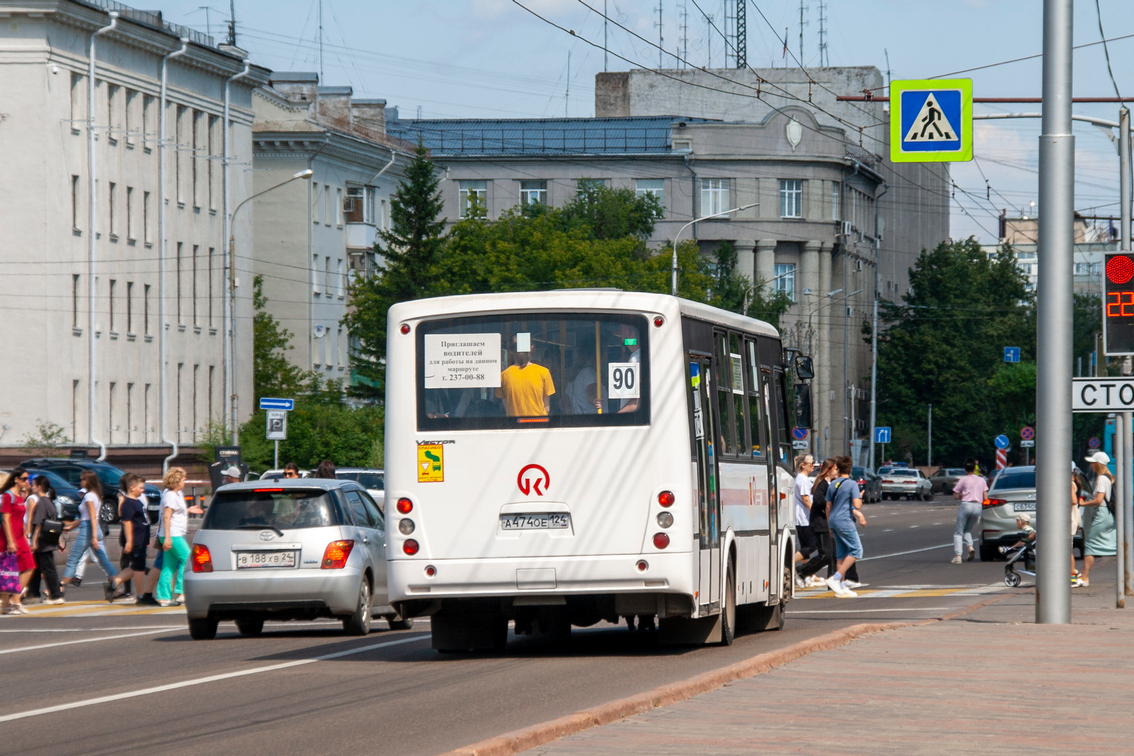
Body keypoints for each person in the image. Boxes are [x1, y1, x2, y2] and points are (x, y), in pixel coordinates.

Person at [61, 471, 117, 594]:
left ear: (88, 481)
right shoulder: (95, 495)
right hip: (94, 528)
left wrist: (93, 537)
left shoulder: (88, 496)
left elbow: (92, 516)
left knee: (73, 559)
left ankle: (60, 588)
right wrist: (71, 526)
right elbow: (86, 517)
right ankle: (116, 584)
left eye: (82, 479)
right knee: (103, 560)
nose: (80, 481)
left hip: (89, 530)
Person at [825, 456, 867, 598]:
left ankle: (841, 587)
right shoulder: (852, 484)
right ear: (850, 469)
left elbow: (828, 506)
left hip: (833, 521)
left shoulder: (833, 484)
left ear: (838, 468)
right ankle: (836, 578)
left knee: (841, 554)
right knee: (856, 550)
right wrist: (860, 496)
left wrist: (829, 524)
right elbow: (857, 505)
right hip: (845, 521)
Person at [106, 473, 149, 602]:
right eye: (141, 488)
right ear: (132, 488)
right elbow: (127, 523)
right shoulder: (129, 503)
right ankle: (141, 595)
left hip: (140, 539)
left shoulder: (136, 502)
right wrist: (129, 542)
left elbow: (142, 521)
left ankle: (115, 583)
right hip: (135, 541)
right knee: (139, 568)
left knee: (136, 567)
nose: (143, 490)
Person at [1078, 451, 1117, 588]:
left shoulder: (1101, 479)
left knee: (1090, 545)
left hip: (1102, 514)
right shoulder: (1110, 477)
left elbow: (1099, 500)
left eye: (1092, 463)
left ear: (1098, 464)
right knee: (1116, 546)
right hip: (1108, 515)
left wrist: (1083, 504)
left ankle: (1085, 577)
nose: (1090, 466)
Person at [0, 467, 36, 615]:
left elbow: (21, 519)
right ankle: (6, 604)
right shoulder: (8, 496)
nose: (26, 481)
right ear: (16, 479)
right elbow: (5, 520)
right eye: (23, 478)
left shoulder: (20, 496)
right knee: (7, 571)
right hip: (8, 537)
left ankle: (15, 599)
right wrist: (10, 541)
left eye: (27, 479)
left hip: (20, 537)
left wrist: (25, 535)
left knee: (29, 566)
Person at [798, 459, 837, 588]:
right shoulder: (822, 484)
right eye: (836, 469)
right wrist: (830, 501)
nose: (837, 471)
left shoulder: (829, 484)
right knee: (825, 555)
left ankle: (832, 582)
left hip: (826, 523)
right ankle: (801, 572)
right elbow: (819, 501)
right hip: (820, 524)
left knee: (831, 555)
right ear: (829, 470)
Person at [496, 333, 555, 417]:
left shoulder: (503, 376)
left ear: (511, 350)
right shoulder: (543, 372)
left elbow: (506, 406)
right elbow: (547, 408)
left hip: (514, 425)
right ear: (531, 348)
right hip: (539, 424)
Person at [26, 475, 64, 605]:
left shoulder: (42, 502)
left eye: (34, 485)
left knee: (48, 569)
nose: (32, 487)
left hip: (43, 542)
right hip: (48, 540)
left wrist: (34, 540)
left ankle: (55, 595)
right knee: (36, 568)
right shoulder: (49, 501)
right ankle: (33, 594)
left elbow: (39, 523)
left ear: (39, 487)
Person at [156, 467, 190, 606]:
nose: (185, 481)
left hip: (172, 534)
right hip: (173, 535)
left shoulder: (175, 494)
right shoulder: (170, 495)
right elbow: (166, 516)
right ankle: (181, 591)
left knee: (168, 566)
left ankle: (163, 597)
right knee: (187, 559)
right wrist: (168, 537)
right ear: (176, 481)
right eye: (183, 479)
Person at [951, 458, 988, 564]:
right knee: (967, 530)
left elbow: (956, 494)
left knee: (959, 532)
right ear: (974, 468)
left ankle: (958, 556)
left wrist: (962, 496)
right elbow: (985, 497)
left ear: (965, 469)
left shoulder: (963, 479)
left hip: (966, 505)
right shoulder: (982, 480)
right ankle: (970, 547)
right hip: (977, 507)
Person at [792, 454, 816, 588]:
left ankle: (807, 575)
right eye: (811, 463)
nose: (813, 465)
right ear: (803, 465)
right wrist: (815, 513)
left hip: (802, 517)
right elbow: (806, 499)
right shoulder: (802, 479)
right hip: (804, 517)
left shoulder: (803, 478)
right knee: (812, 546)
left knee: (805, 546)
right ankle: (787, 563)